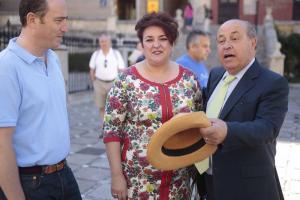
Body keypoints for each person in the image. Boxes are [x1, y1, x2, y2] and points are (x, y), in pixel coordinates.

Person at [103, 12, 202, 200]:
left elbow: (198, 126)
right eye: (149, 39)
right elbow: (112, 131)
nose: (156, 44)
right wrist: (116, 176)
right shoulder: (126, 80)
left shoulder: (189, 79)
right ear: (142, 44)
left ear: (172, 43)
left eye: (163, 38)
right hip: (137, 181)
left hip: (179, 180)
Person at [0, 0, 82, 199]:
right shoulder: (6, 67)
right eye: (58, 20)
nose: (65, 27)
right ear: (32, 19)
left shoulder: (52, 58)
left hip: (64, 174)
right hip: (31, 184)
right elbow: (2, 145)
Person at [199, 19, 288, 200]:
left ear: (253, 43)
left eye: (234, 38)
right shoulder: (215, 75)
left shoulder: (272, 83)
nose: (227, 45)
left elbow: (267, 128)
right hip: (209, 180)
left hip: (246, 186)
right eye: (221, 40)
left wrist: (228, 131)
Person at [89, 33, 125, 135]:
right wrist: (94, 83)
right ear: (99, 43)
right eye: (101, 41)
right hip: (99, 83)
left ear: (109, 42)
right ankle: (104, 129)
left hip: (113, 83)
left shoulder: (116, 54)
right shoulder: (96, 54)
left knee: (114, 107)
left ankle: (114, 128)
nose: (103, 43)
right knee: (101, 107)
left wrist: (120, 84)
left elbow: (122, 70)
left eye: (105, 41)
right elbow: (91, 70)